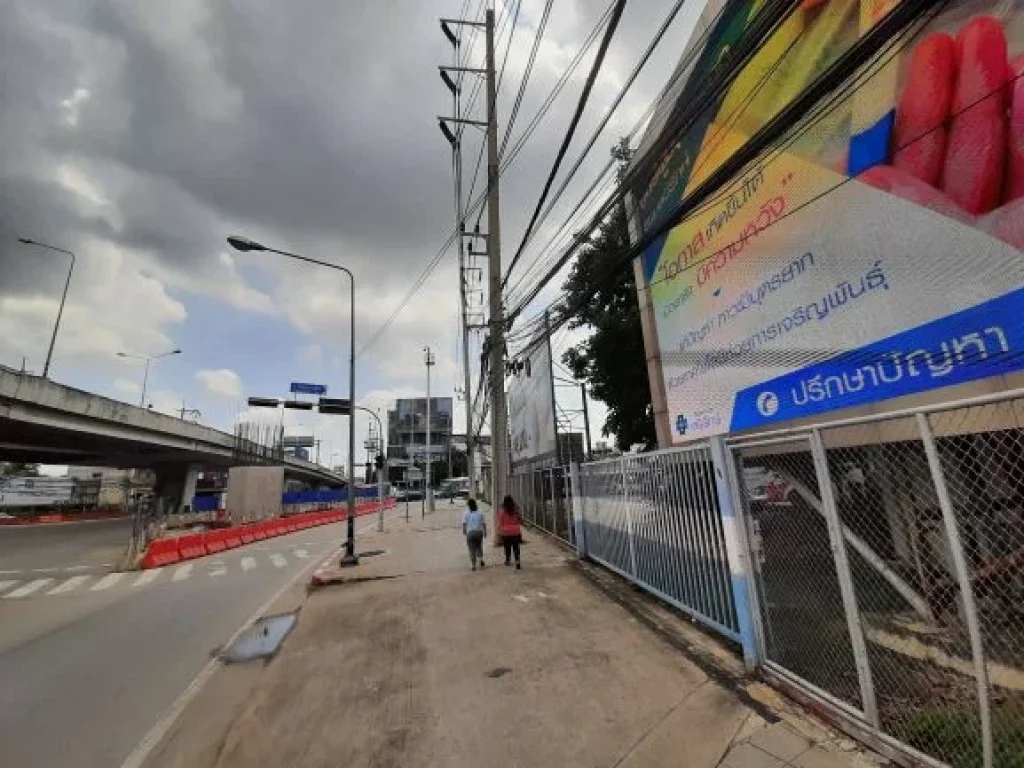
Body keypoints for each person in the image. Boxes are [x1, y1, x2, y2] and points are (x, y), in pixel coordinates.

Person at [461, 498, 486, 571]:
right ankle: (481, 560)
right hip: (479, 532)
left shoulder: (466, 513)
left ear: (468, 505)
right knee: (479, 546)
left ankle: (473, 565)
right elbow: (483, 523)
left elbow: (464, 524)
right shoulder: (480, 512)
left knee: (471, 549)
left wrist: (464, 531)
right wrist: (485, 532)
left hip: (470, 533)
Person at [498, 495, 522, 569]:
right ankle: (517, 561)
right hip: (515, 531)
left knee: (507, 547)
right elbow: (519, 520)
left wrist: (499, 531)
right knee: (516, 547)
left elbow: (500, 523)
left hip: (506, 532)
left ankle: (508, 560)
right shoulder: (516, 511)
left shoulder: (502, 512)